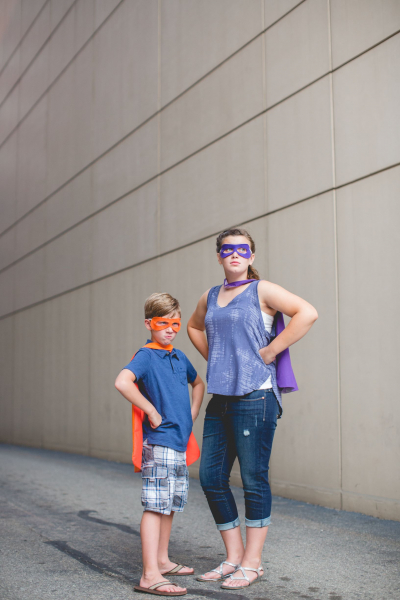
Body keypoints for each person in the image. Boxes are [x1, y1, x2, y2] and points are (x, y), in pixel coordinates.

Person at [187, 228, 318, 590]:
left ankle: (253, 563)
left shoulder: (262, 290)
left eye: (242, 249)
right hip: (222, 397)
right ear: (218, 256)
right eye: (227, 249)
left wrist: (271, 351)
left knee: (253, 479)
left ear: (251, 256)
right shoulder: (210, 296)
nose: (234, 254)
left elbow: (307, 313)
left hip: (257, 396)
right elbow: (194, 326)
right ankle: (233, 557)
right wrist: (216, 360)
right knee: (211, 478)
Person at [115, 292, 205, 596]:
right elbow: (122, 382)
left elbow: (199, 383)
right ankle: (149, 574)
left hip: (178, 443)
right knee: (155, 507)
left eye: (176, 324)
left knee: (169, 506)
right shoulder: (146, 355)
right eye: (162, 322)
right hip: (160, 441)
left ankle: (163, 561)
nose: (170, 329)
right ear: (148, 323)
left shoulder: (179, 357)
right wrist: (151, 410)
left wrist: (192, 413)